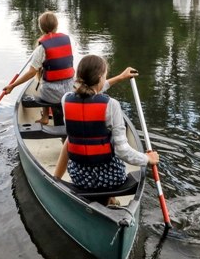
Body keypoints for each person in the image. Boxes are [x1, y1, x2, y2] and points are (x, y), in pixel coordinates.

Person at [53, 55, 159, 194]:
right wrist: (147, 159)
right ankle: (109, 197)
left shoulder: (66, 99)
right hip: (111, 179)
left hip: (80, 178)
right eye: (105, 76)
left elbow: (89, 93)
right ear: (100, 78)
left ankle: (55, 179)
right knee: (112, 138)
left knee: (72, 137)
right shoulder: (111, 105)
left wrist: (120, 77)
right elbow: (122, 151)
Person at [3, 11, 74, 125]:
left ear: (41, 28)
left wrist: (12, 85)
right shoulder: (68, 41)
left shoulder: (41, 49)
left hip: (51, 93)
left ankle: (45, 117)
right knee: (48, 78)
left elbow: (31, 73)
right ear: (57, 26)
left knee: (43, 83)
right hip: (70, 89)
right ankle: (59, 115)